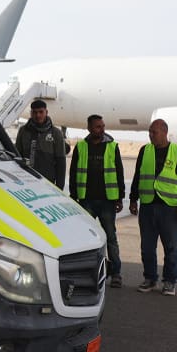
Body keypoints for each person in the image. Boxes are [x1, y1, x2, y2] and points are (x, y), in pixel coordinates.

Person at [129, 118, 177, 296]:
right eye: (149, 132)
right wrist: (133, 199)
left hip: (169, 208)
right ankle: (150, 278)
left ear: (164, 132)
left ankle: (170, 281)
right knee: (147, 247)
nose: (151, 136)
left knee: (171, 248)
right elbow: (137, 176)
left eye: (153, 132)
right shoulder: (145, 151)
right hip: (148, 205)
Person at [68, 114, 125, 287]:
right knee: (84, 238)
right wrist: (74, 196)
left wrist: (120, 197)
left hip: (107, 200)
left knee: (110, 237)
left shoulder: (112, 147)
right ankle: (83, 270)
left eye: (102, 126)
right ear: (89, 128)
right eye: (97, 127)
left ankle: (116, 273)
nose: (101, 129)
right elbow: (73, 173)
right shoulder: (81, 147)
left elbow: (119, 173)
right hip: (87, 200)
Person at [15, 99, 67, 189]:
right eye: (34, 112)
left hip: (47, 183)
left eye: (41, 112)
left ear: (46, 112)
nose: (38, 115)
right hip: (26, 181)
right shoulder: (23, 131)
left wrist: (60, 187)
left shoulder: (56, 133)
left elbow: (61, 162)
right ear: (31, 113)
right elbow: (17, 155)